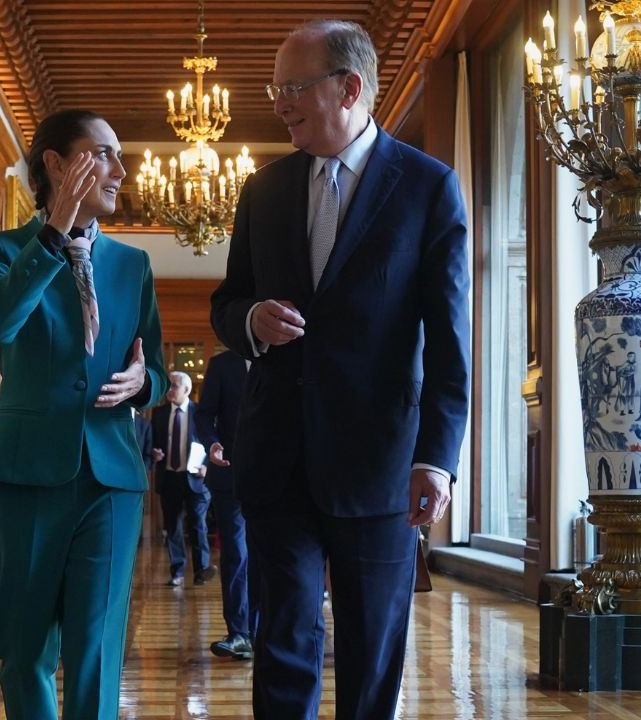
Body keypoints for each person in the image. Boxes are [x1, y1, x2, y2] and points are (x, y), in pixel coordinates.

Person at [209, 20, 470, 719]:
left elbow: (450, 345)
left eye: (292, 88)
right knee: (284, 642)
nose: (280, 103)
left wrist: (437, 459)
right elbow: (226, 303)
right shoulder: (261, 190)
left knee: (370, 654)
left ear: (349, 87)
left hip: (379, 466)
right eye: (277, 89)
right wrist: (251, 321)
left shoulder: (427, 189)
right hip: (277, 457)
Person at [0, 108, 168, 720]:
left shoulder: (132, 266)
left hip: (112, 480)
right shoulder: (3, 249)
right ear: (57, 164)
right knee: (25, 647)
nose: (119, 168)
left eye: (118, 154)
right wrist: (52, 236)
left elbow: (156, 370)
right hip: (26, 476)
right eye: (103, 152)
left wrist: (142, 384)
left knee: (97, 650)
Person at [195, 348, 260, 660]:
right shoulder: (222, 364)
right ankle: (239, 632)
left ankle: (267, 630)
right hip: (230, 473)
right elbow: (204, 413)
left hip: (282, 476)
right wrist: (213, 443)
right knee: (236, 551)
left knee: (274, 554)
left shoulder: (288, 354)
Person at [150, 371, 215, 587]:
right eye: (169, 386)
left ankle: (201, 570)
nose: (169, 390)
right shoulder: (158, 414)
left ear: (186, 390)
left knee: (198, 524)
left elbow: (212, 442)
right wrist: (154, 453)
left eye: (174, 386)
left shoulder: (200, 413)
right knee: (173, 527)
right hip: (169, 478)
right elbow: (152, 442)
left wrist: (206, 466)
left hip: (196, 478)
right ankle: (177, 572)